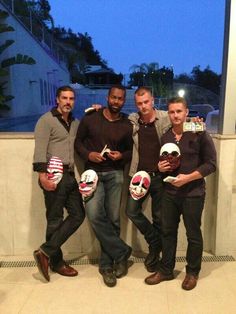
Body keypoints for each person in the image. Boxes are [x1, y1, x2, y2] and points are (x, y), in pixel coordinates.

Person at [145, 96, 216, 290]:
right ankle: (166, 270)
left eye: (179, 111)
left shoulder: (199, 133)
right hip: (170, 193)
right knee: (167, 232)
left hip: (193, 193)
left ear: (186, 112)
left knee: (193, 234)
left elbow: (211, 164)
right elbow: (164, 164)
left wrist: (187, 178)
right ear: (168, 114)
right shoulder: (166, 137)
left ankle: (192, 272)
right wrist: (160, 167)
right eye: (172, 112)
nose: (175, 115)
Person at [74, 85, 133, 287]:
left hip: (115, 173)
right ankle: (122, 251)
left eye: (120, 99)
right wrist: (88, 155)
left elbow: (129, 151)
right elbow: (78, 143)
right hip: (91, 173)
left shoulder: (126, 124)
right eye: (113, 97)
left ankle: (107, 266)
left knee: (114, 219)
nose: (116, 101)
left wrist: (121, 156)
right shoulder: (91, 118)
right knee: (94, 214)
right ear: (108, 97)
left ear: (124, 101)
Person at [33, 85, 85, 282]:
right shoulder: (46, 121)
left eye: (71, 98)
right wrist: (42, 175)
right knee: (54, 219)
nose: (68, 102)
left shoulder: (75, 122)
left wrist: (96, 113)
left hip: (71, 176)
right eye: (64, 98)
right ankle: (57, 262)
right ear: (57, 99)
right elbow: (39, 150)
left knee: (78, 214)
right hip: (53, 174)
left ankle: (45, 252)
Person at [126, 86, 171, 272]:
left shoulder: (165, 117)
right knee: (131, 210)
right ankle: (154, 241)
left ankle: (155, 253)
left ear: (152, 100)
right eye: (139, 103)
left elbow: (183, 120)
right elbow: (114, 118)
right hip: (139, 176)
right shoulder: (132, 120)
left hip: (160, 177)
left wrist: (197, 124)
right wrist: (97, 110)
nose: (143, 106)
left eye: (146, 102)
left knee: (159, 218)